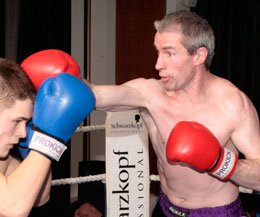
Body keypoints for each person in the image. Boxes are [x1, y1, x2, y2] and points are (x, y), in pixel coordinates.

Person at [82, 10, 260, 217]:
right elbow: (94, 95)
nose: (158, 64)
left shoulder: (233, 105)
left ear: (199, 56)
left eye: (169, 53)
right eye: (158, 52)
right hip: (166, 209)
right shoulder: (150, 94)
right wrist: (61, 79)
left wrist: (220, 162)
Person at [0, 57, 95, 217]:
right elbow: (12, 208)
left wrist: (32, 147)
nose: (23, 133)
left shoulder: (4, 159)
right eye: (17, 121)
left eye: (26, 122)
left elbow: (40, 197)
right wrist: (47, 139)